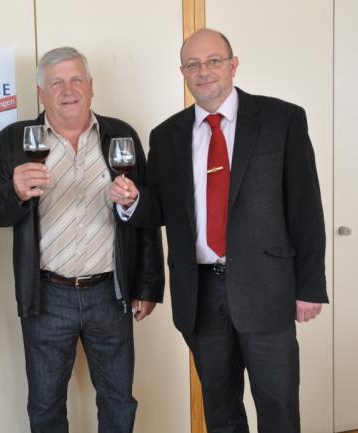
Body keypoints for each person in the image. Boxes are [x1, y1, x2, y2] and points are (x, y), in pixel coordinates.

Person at [110, 28, 328, 433]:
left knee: (278, 406)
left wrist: (310, 286)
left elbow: (305, 208)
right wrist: (133, 201)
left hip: (267, 289)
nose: (203, 71)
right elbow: (160, 208)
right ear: (182, 73)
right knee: (220, 409)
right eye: (192, 64)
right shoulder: (166, 135)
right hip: (200, 294)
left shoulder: (282, 120)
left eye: (213, 61)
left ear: (233, 65)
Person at [0, 47, 164, 433]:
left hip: (110, 293)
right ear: (41, 92)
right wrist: (14, 192)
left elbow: (147, 218)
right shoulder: (14, 140)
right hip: (46, 295)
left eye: (76, 79)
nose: (68, 89)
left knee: (118, 401)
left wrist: (147, 286)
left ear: (91, 86)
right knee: (45, 405)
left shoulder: (121, 135)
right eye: (56, 82)